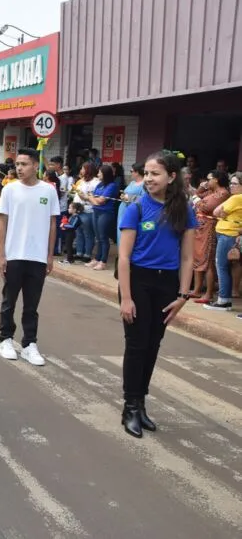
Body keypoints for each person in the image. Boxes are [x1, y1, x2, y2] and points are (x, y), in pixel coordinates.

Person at [117, 151, 195, 438]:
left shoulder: (184, 210)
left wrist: (183, 295)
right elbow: (123, 258)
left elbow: (187, 257)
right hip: (138, 281)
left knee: (153, 345)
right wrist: (126, 298)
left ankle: (141, 403)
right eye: (146, 174)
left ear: (171, 177)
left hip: (167, 285)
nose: (148, 179)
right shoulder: (136, 208)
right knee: (137, 345)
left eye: (155, 174)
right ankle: (129, 407)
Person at [0, 148, 59, 366]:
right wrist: (1, 254)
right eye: (17, 165)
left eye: (24, 164)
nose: (19, 168)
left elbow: (53, 224)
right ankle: (5, 339)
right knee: (9, 301)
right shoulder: (10, 190)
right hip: (14, 255)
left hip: (38, 257)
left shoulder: (48, 191)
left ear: (35, 165)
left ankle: (29, 343)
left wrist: (50, 255)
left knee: (32, 305)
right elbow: (2, 221)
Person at [192, 171, 230, 304]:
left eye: (210, 179)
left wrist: (196, 200)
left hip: (209, 228)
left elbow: (206, 207)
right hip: (200, 228)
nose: (207, 182)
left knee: (208, 261)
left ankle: (208, 294)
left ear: (217, 179)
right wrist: (201, 188)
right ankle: (196, 290)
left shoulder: (223, 194)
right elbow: (198, 195)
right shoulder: (211, 192)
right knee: (197, 257)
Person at [208, 173, 242, 311]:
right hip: (229, 233)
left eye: (235, 184)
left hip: (227, 233)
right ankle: (225, 298)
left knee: (221, 266)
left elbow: (216, 212)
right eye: (231, 183)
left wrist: (223, 212)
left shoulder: (236, 198)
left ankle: (223, 300)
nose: (231, 186)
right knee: (224, 267)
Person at [86, 164, 120, 270]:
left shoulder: (112, 186)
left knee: (103, 237)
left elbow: (101, 201)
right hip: (96, 212)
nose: (98, 174)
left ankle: (103, 261)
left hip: (105, 213)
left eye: (100, 172)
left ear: (105, 174)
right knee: (98, 238)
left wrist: (91, 198)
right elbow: (94, 197)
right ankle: (97, 258)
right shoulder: (100, 184)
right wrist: (93, 198)